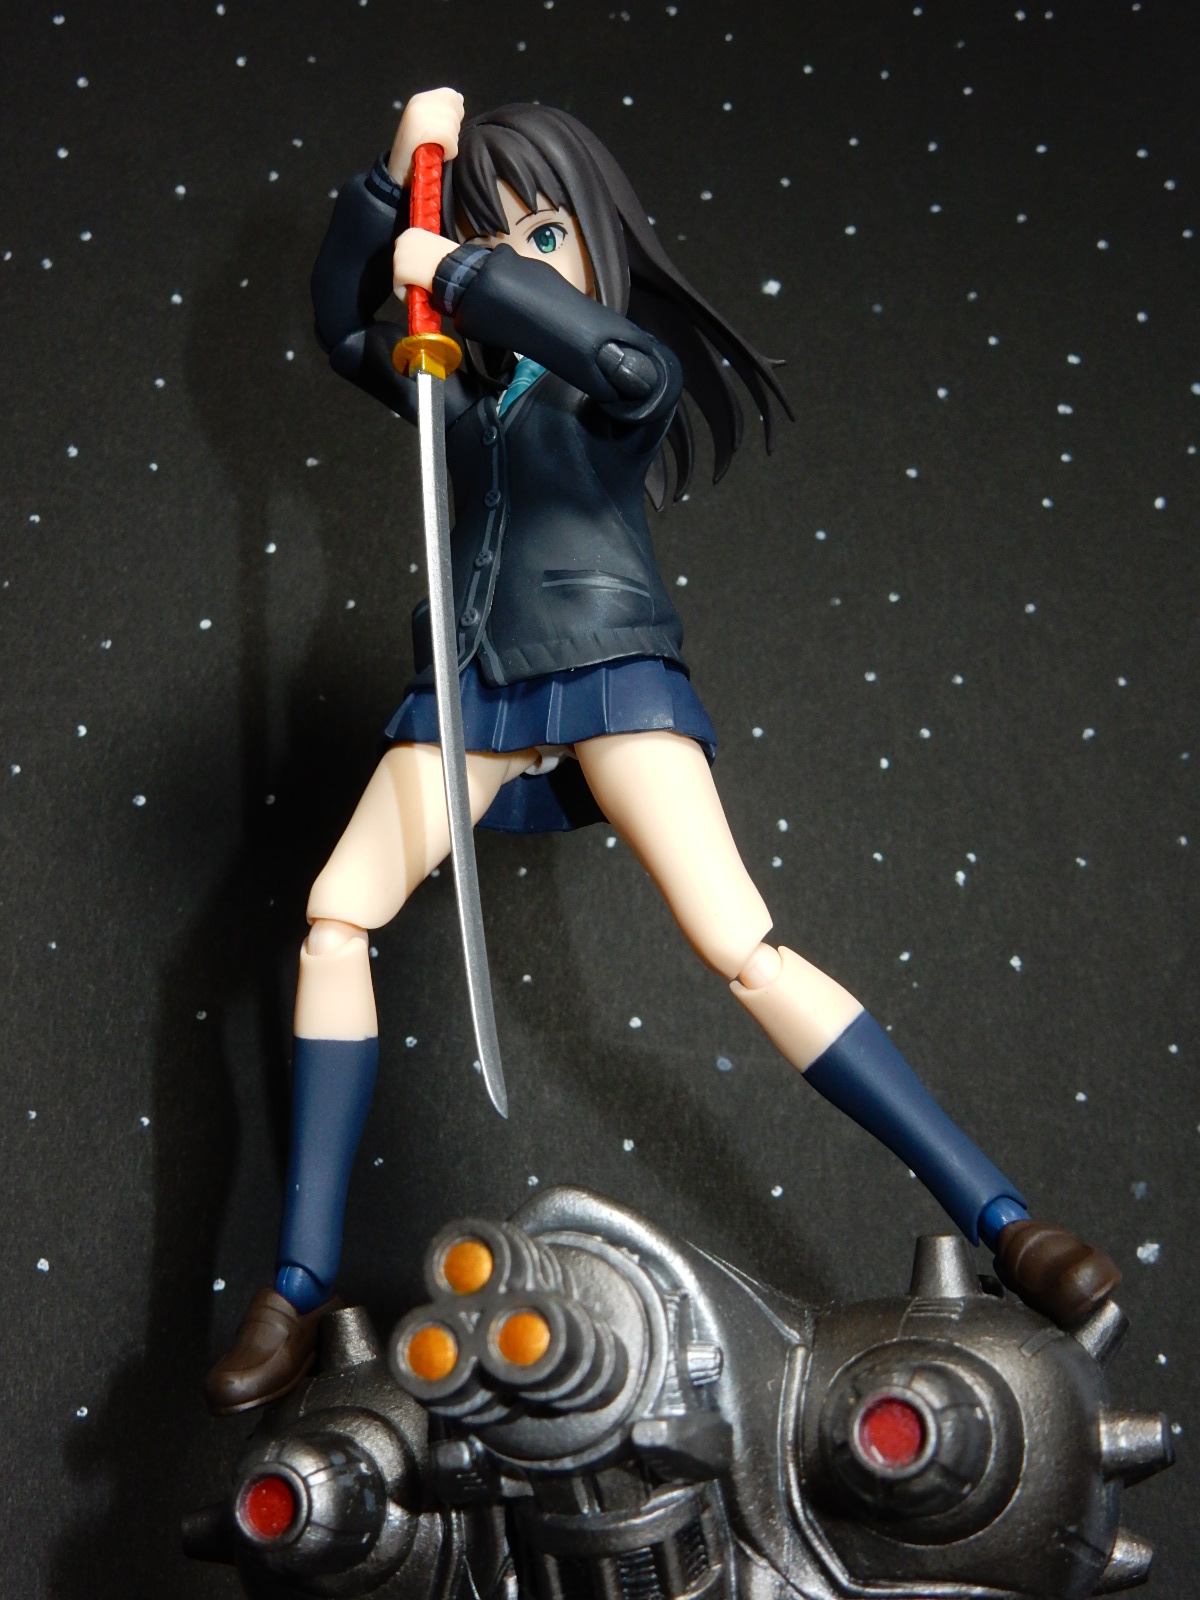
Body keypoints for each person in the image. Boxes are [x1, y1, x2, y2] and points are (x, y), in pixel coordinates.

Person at [206, 90, 1119, 1414]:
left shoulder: (619, 378)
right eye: (491, 237)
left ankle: (1005, 1220)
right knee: (335, 918)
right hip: (470, 692)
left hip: (609, 674)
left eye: (542, 236)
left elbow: (618, 362)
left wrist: (458, 267)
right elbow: (346, 328)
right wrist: (392, 183)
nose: (513, 262)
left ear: (594, 238)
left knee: (744, 947)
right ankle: (295, 1287)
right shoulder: (456, 396)